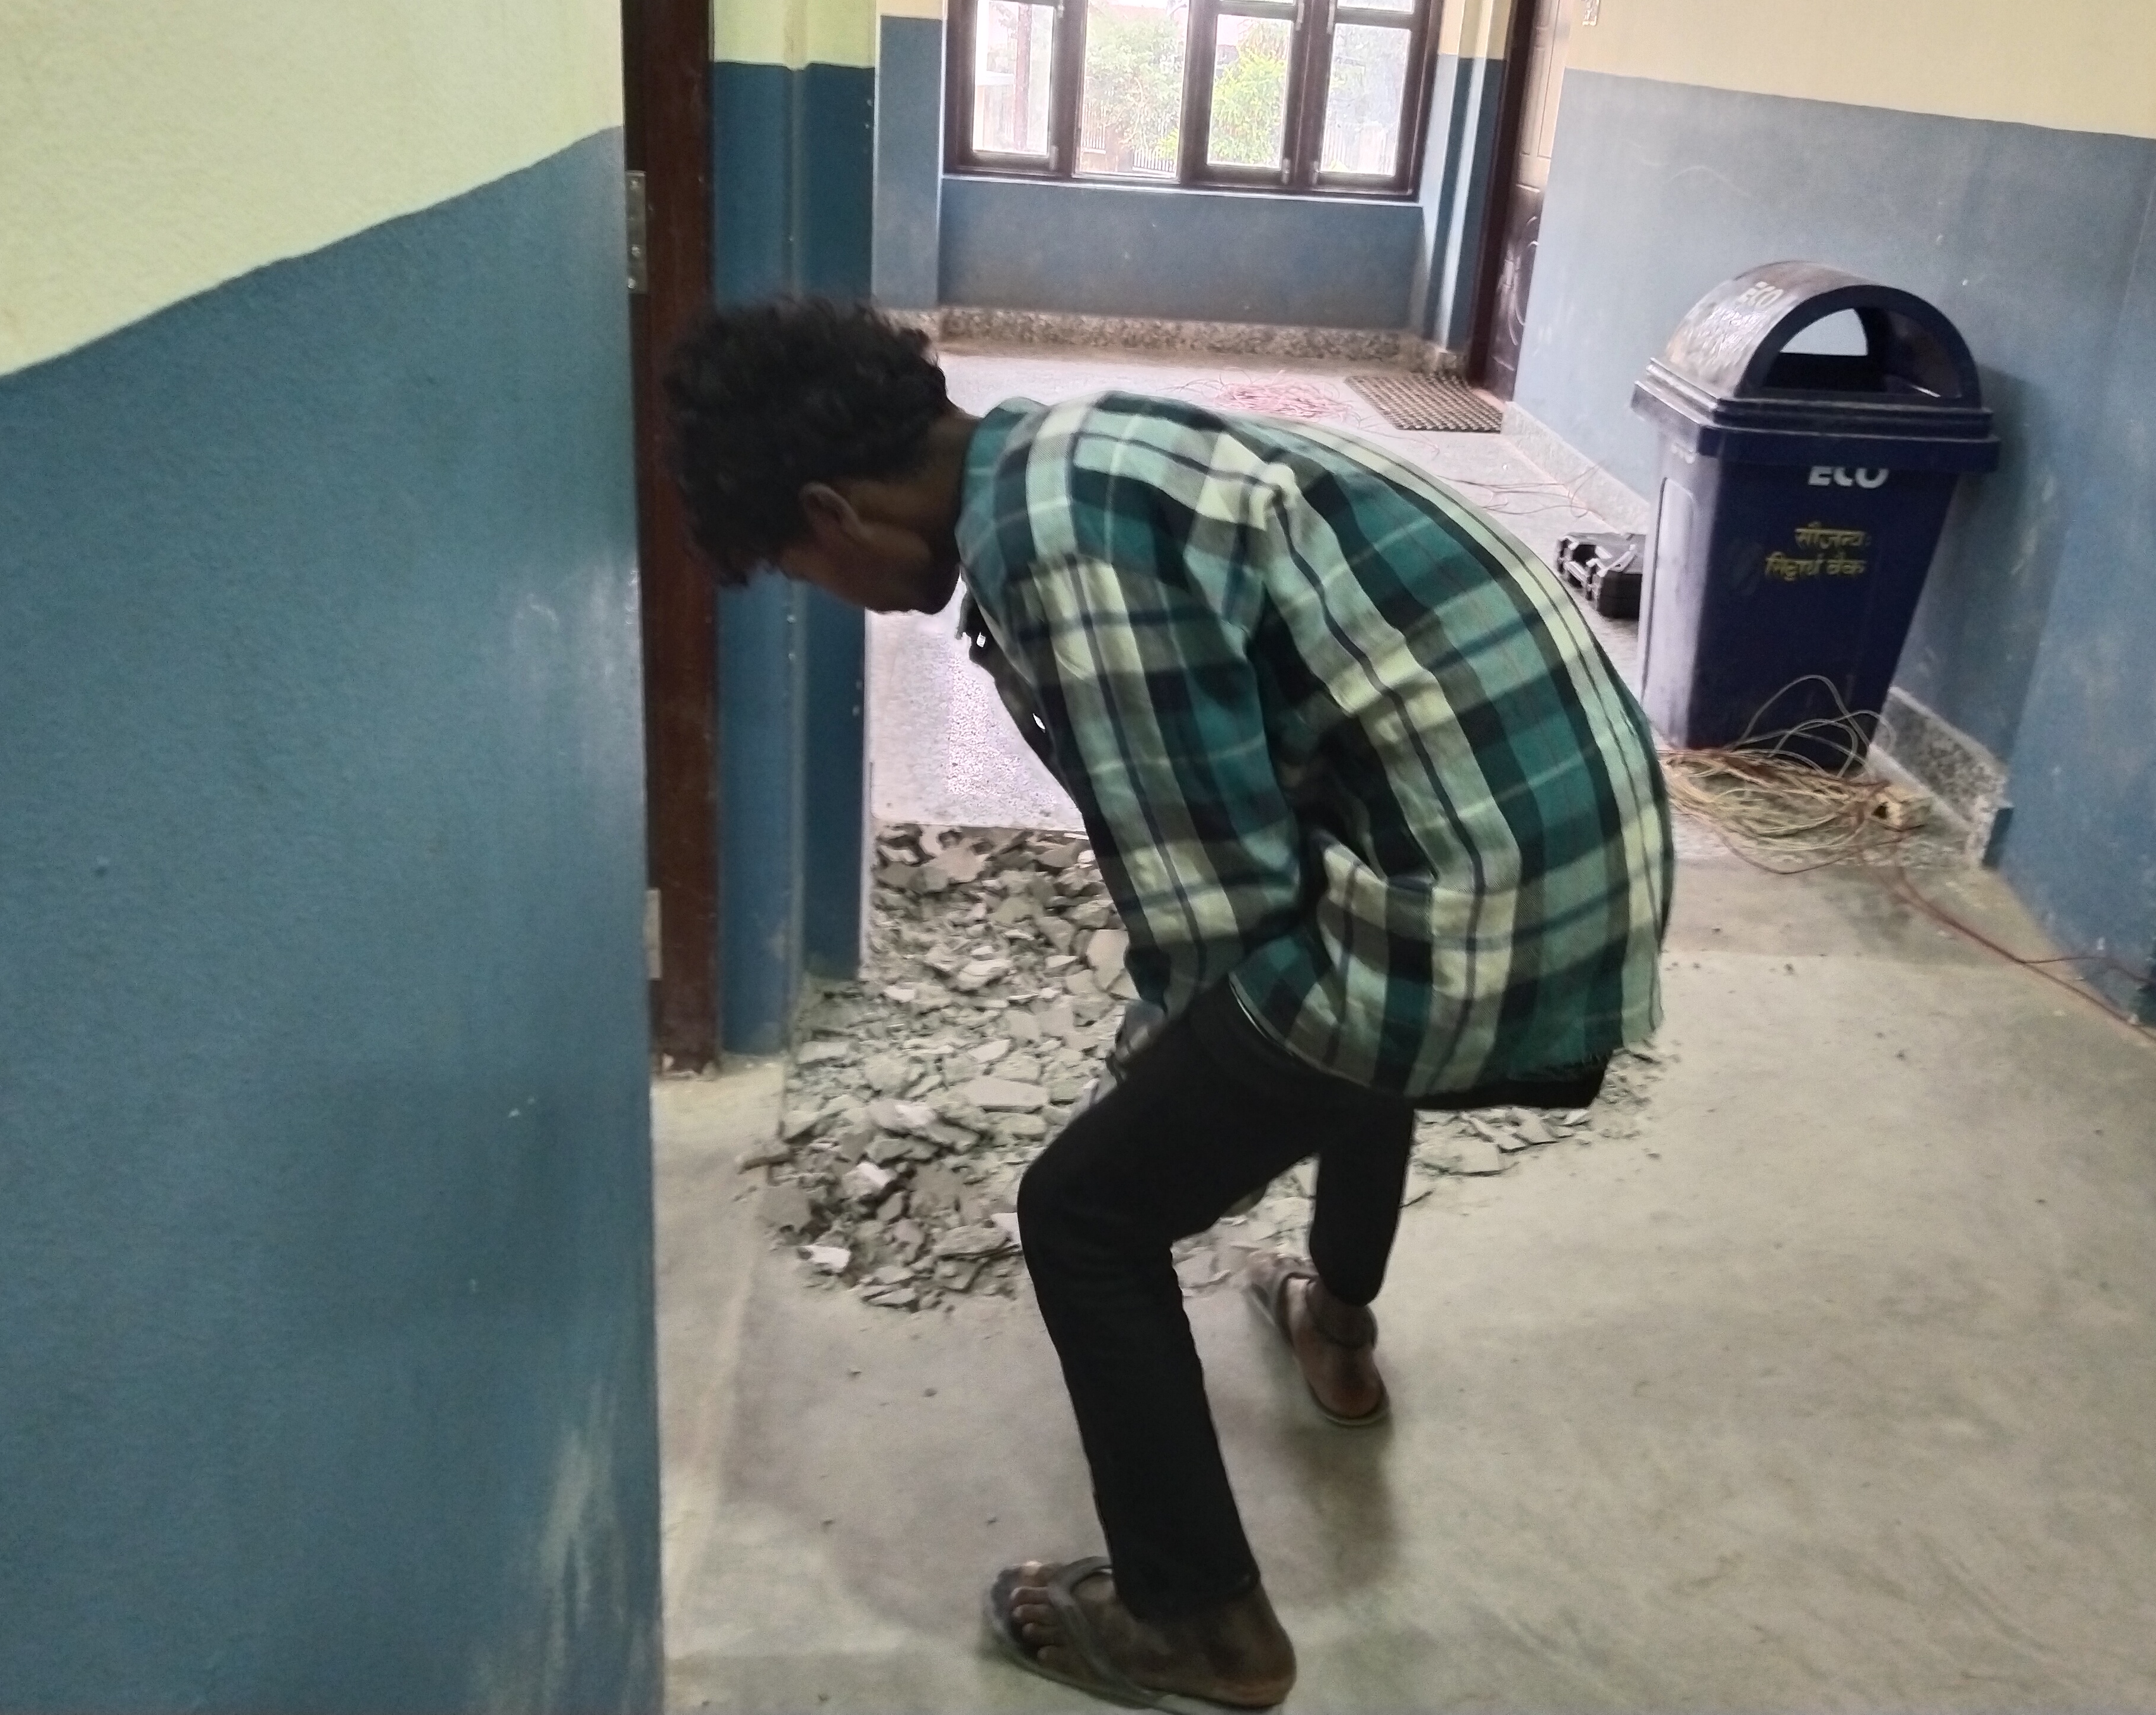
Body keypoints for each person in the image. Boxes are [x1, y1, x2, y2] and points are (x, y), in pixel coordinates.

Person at [667, 299, 1672, 1711]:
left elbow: (1218, 907)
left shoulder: (1059, 553)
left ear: (835, 511)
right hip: (1557, 856)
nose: (821, 590)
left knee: (1087, 1212)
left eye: (796, 565)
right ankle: (1338, 1325)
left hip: (1485, 922)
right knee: (1333, 976)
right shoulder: (1072, 451)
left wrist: (1156, 1087)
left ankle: (1201, 1626)